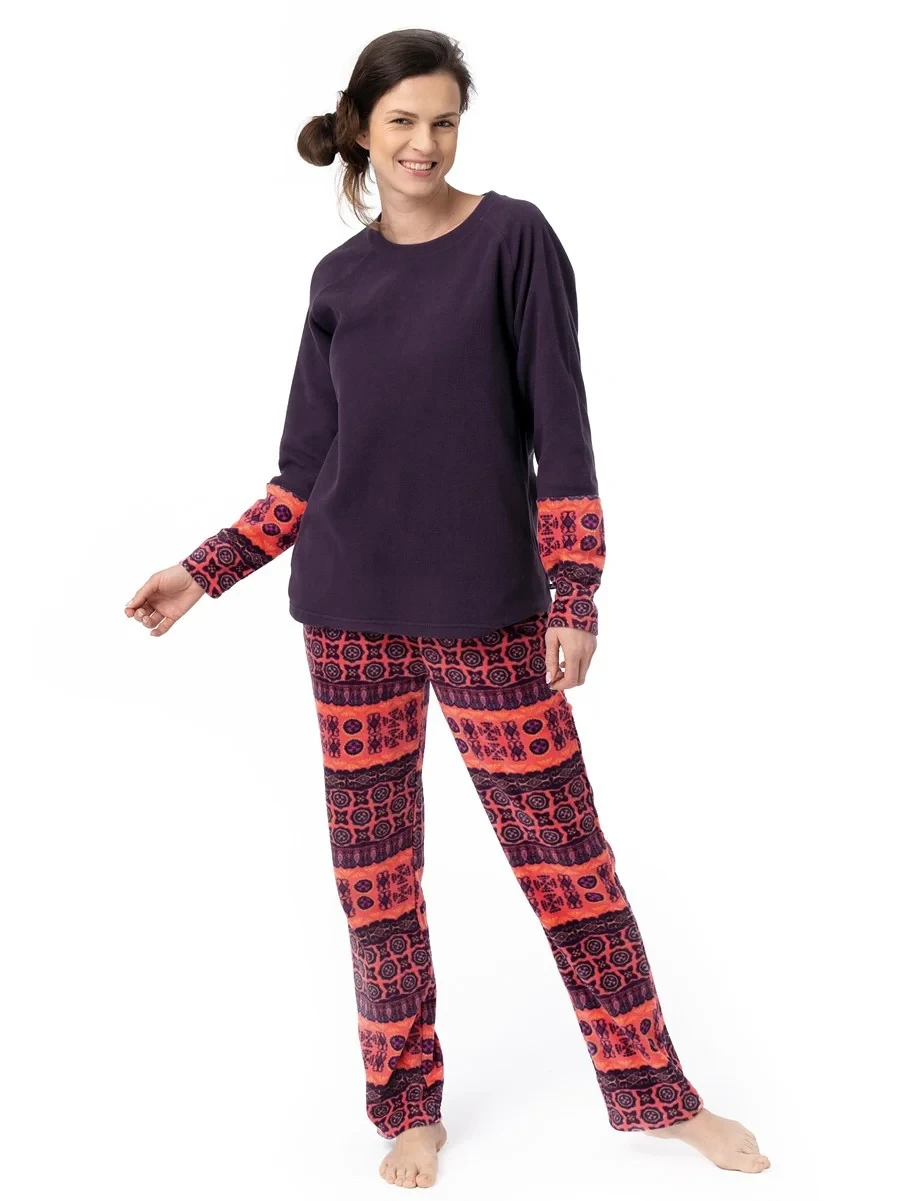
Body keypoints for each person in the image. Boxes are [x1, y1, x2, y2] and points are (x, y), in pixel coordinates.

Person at [124, 27, 770, 1190]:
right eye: (404, 122)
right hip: (348, 615)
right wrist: (205, 568)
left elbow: (562, 429)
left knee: (568, 861)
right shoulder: (339, 280)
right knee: (376, 885)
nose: (426, 142)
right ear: (363, 132)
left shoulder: (514, 240)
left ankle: (661, 1095)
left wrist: (576, 589)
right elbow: (305, 471)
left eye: (445, 120)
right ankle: (407, 1107)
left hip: (489, 613)